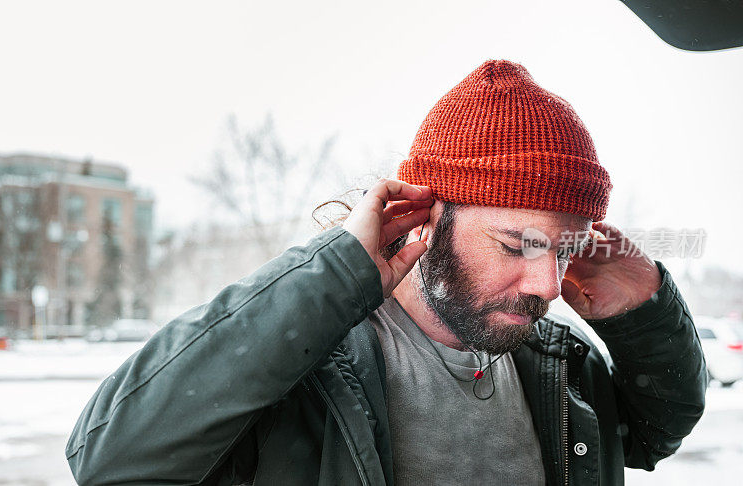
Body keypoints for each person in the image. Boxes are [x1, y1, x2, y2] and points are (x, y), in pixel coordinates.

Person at [66, 60, 706, 485]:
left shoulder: (555, 364)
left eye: (564, 250)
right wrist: (333, 275)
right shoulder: (308, 373)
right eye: (517, 245)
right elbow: (110, 459)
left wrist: (644, 310)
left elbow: (657, 430)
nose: (546, 285)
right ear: (429, 219)